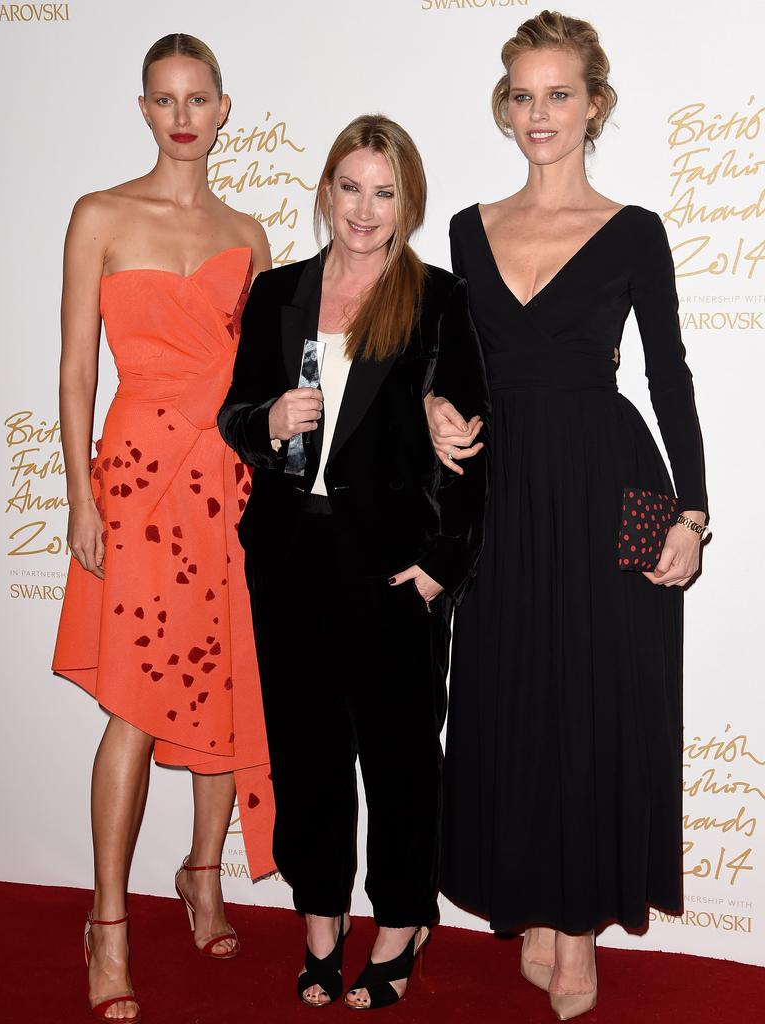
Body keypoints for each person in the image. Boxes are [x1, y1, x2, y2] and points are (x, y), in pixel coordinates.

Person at [426, 11, 707, 1021]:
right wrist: (435, 404)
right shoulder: (465, 227)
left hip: (611, 480)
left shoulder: (634, 229)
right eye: (521, 93)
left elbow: (668, 373)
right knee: (509, 691)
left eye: (558, 93)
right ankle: (534, 909)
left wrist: (692, 511)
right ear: (504, 106)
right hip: (503, 489)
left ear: (594, 103)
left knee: (595, 691)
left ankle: (578, 927)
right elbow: (449, 362)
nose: (538, 112)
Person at [218, 114, 490, 1011]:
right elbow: (233, 415)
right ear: (327, 189)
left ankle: (404, 918)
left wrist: (439, 566)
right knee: (307, 750)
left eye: (385, 192)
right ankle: (321, 917)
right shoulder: (279, 292)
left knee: (403, 756)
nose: (365, 210)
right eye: (350, 187)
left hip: (391, 570)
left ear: (407, 202)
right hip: (292, 556)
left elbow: (472, 444)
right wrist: (266, 425)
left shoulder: (438, 299)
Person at [52, 33, 274, 1023]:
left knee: (224, 691)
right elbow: (72, 374)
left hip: (227, 482)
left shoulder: (251, 233)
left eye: (199, 98)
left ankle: (201, 875)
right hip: (136, 482)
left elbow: (273, 383)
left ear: (223, 108)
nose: (183, 115)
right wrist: (77, 496)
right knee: (134, 710)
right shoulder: (100, 213)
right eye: (164, 99)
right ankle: (107, 924)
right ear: (144, 109)